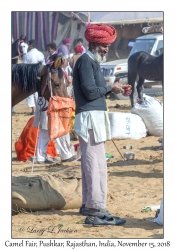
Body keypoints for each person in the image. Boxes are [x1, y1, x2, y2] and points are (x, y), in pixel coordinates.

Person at [72, 24, 126, 225]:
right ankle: (95, 208)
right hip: (90, 119)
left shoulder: (90, 61)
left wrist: (113, 89)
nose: (106, 50)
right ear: (94, 43)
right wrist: (109, 87)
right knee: (95, 164)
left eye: (108, 46)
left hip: (93, 117)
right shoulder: (86, 62)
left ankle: (89, 204)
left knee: (92, 162)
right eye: (104, 46)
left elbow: (95, 90)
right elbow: (90, 92)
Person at [33, 53, 76, 164]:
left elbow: (61, 87)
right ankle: (65, 154)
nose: (66, 62)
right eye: (65, 60)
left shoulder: (61, 71)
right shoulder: (49, 71)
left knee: (48, 130)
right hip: (49, 103)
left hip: (56, 103)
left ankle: (41, 157)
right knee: (53, 129)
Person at [23, 39, 45, 115]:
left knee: (30, 93)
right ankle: (38, 109)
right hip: (39, 75)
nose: (28, 46)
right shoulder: (41, 54)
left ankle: (33, 110)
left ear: (31, 45)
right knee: (38, 92)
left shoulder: (27, 55)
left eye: (29, 45)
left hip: (30, 76)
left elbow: (24, 67)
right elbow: (44, 66)